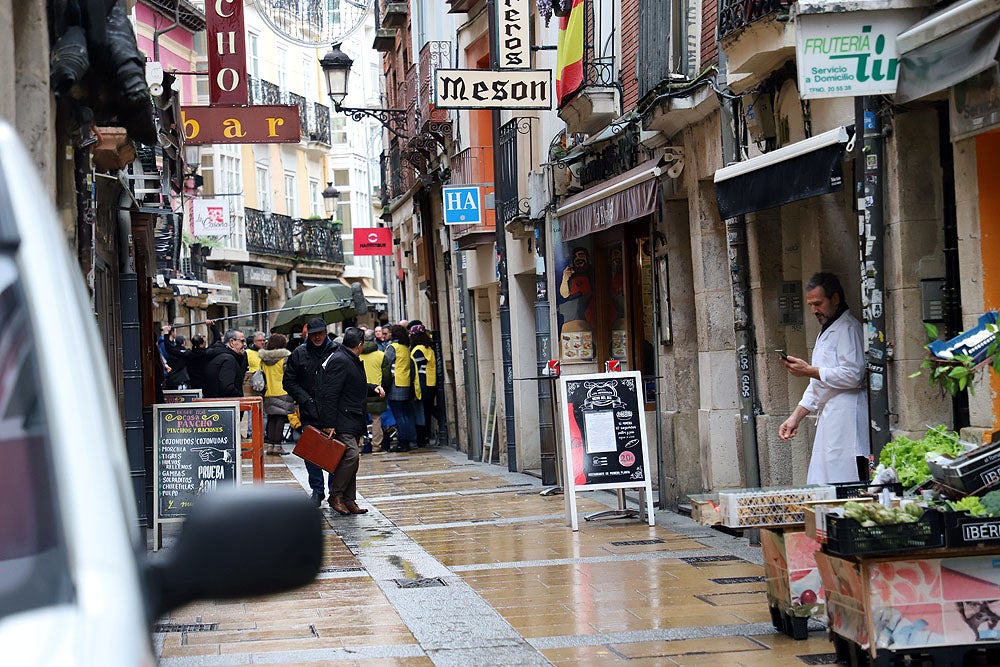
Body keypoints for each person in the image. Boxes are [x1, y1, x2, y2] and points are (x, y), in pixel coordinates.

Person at [779, 272, 869, 485]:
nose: (813, 310)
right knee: (825, 481)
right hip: (831, 414)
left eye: (818, 303)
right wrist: (795, 417)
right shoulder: (828, 329)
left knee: (846, 480)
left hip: (848, 416)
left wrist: (809, 370)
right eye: (810, 305)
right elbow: (819, 384)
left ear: (835, 299)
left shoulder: (848, 328)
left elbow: (854, 374)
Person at [315, 327, 385, 515]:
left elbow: (353, 385)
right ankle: (336, 495)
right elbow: (330, 394)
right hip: (342, 418)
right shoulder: (341, 360)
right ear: (360, 345)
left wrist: (372, 388)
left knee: (352, 460)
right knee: (351, 456)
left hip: (352, 417)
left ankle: (349, 499)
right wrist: (329, 423)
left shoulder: (348, 358)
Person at [283, 317, 338, 506]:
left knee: (334, 450)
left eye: (320, 333)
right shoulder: (299, 354)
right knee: (311, 451)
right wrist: (305, 398)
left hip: (333, 409)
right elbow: (288, 381)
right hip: (309, 409)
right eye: (313, 334)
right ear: (308, 335)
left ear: (325, 332)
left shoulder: (336, 351)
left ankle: (334, 490)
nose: (317, 337)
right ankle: (317, 489)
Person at [384, 324, 417, 452]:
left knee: (399, 415)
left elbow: (386, 364)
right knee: (406, 414)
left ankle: (402, 442)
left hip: (395, 384)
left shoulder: (393, 347)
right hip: (406, 383)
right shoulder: (405, 348)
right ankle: (409, 440)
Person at [259, 333, 294, 456]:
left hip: (268, 392)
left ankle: (270, 445)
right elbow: (289, 375)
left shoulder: (264, 359)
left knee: (271, 418)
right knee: (280, 419)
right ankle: (278, 446)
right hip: (283, 391)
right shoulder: (285, 358)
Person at [360, 330, 390, 454]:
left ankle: (359, 446)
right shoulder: (381, 355)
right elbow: (387, 376)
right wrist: (384, 389)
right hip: (377, 390)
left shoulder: (357, 355)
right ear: (374, 340)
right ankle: (376, 446)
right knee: (376, 419)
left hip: (360, 390)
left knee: (359, 419)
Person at [409, 324, 437, 448]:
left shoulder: (418, 350)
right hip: (430, 382)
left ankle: (422, 438)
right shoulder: (429, 348)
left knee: (420, 411)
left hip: (421, 383)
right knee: (427, 410)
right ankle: (425, 436)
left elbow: (415, 367)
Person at [202, 329, 248, 398]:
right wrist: (239, 395)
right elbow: (227, 388)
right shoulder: (228, 360)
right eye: (242, 341)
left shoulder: (220, 356)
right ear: (232, 342)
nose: (244, 344)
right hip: (224, 404)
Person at [186, 320, 220, 390]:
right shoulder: (207, 353)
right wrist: (212, 326)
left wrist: (166, 333)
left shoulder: (188, 354)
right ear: (201, 344)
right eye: (204, 341)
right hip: (207, 385)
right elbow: (217, 340)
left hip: (193, 385)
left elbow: (170, 349)